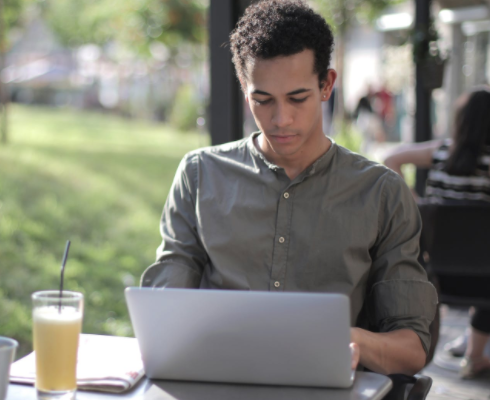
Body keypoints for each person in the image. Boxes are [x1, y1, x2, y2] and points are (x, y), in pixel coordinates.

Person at [142, 0, 437, 376]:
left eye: (298, 98)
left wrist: (343, 339)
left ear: (326, 84)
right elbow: (164, 313)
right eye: (262, 100)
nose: (281, 120)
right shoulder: (200, 175)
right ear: (244, 89)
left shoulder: (381, 193)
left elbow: (411, 349)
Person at [384, 87, 490, 379]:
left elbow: (391, 158)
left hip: (437, 274)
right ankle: (475, 355)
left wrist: (417, 205)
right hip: (485, 279)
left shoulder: (442, 152)